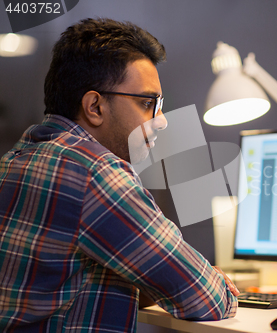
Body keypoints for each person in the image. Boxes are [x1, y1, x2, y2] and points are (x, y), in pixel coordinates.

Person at [0, 18, 239, 332]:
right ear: (95, 106)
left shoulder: (15, 159)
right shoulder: (95, 173)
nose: (162, 120)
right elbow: (207, 298)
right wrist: (211, 280)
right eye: (146, 103)